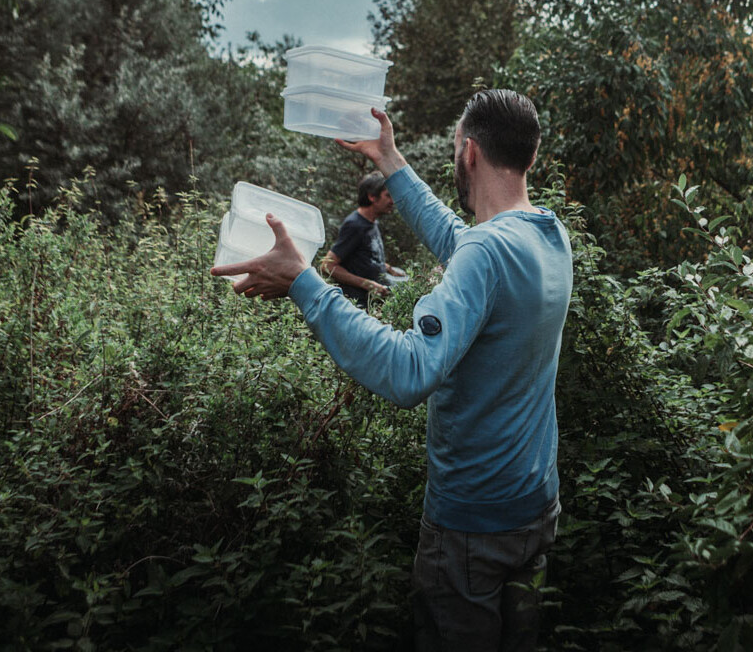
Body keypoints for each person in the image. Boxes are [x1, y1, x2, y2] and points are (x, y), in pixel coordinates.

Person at [211, 89, 573, 651]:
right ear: (529, 155)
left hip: (473, 526)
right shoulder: (546, 235)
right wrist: (391, 163)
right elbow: (466, 243)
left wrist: (305, 284)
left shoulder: (489, 254)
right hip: (535, 507)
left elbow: (408, 371)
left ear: (468, 153)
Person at [320, 171, 406, 308]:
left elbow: (367, 257)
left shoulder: (371, 222)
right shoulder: (354, 225)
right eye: (388, 196)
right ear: (372, 196)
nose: (392, 201)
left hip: (375, 303)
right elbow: (327, 265)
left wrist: (388, 268)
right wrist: (367, 284)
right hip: (358, 305)